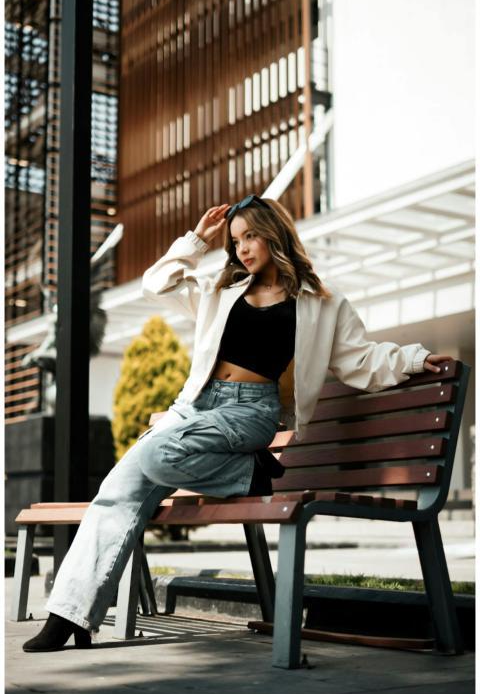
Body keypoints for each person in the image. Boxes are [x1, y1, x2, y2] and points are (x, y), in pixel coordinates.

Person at [23, 194, 452, 653]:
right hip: (196, 406)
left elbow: (360, 358)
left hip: (251, 411)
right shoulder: (221, 291)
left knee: (150, 454)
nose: (243, 248)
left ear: (274, 233)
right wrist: (195, 242)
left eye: (251, 236)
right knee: (118, 488)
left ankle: (251, 472)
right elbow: (156, 284)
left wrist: (414, 358)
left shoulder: (320, 304)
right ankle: (69, 616)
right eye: (235, 240)